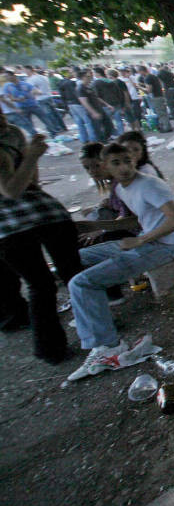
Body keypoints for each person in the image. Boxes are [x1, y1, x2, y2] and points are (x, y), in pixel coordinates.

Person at [66, 143, 174, 381]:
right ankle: (95, 321)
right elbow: (136, 219)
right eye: (116, 163)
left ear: (134, 160)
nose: (123, 168)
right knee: (74, 259)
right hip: (146, 242)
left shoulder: (149, 184)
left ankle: (108, 347)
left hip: (164, 247)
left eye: (127, 161)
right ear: (105, 166)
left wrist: (141, 240)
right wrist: (98, 227)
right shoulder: (121, 188)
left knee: (81, 283)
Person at [0, 116, 82, 363]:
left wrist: (29, 156)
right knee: (41, 284)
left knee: (73, 275)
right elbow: (11, 190)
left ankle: (95, 327)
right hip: (9, 223)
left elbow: (30, 181)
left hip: (41, 210)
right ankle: (51, 350)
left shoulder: (12, 132)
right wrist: (33, 156)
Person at [136, 65, 171, 133]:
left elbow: (149, 90)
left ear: (142, 71)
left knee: (161, 113)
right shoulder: (153, 76)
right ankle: (167, 126)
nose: (139, 74)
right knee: (163, 112)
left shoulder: (147, 78)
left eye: (139, 72)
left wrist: (139, 87)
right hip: (159, 95)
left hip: (156, 97)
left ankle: (166, 127)